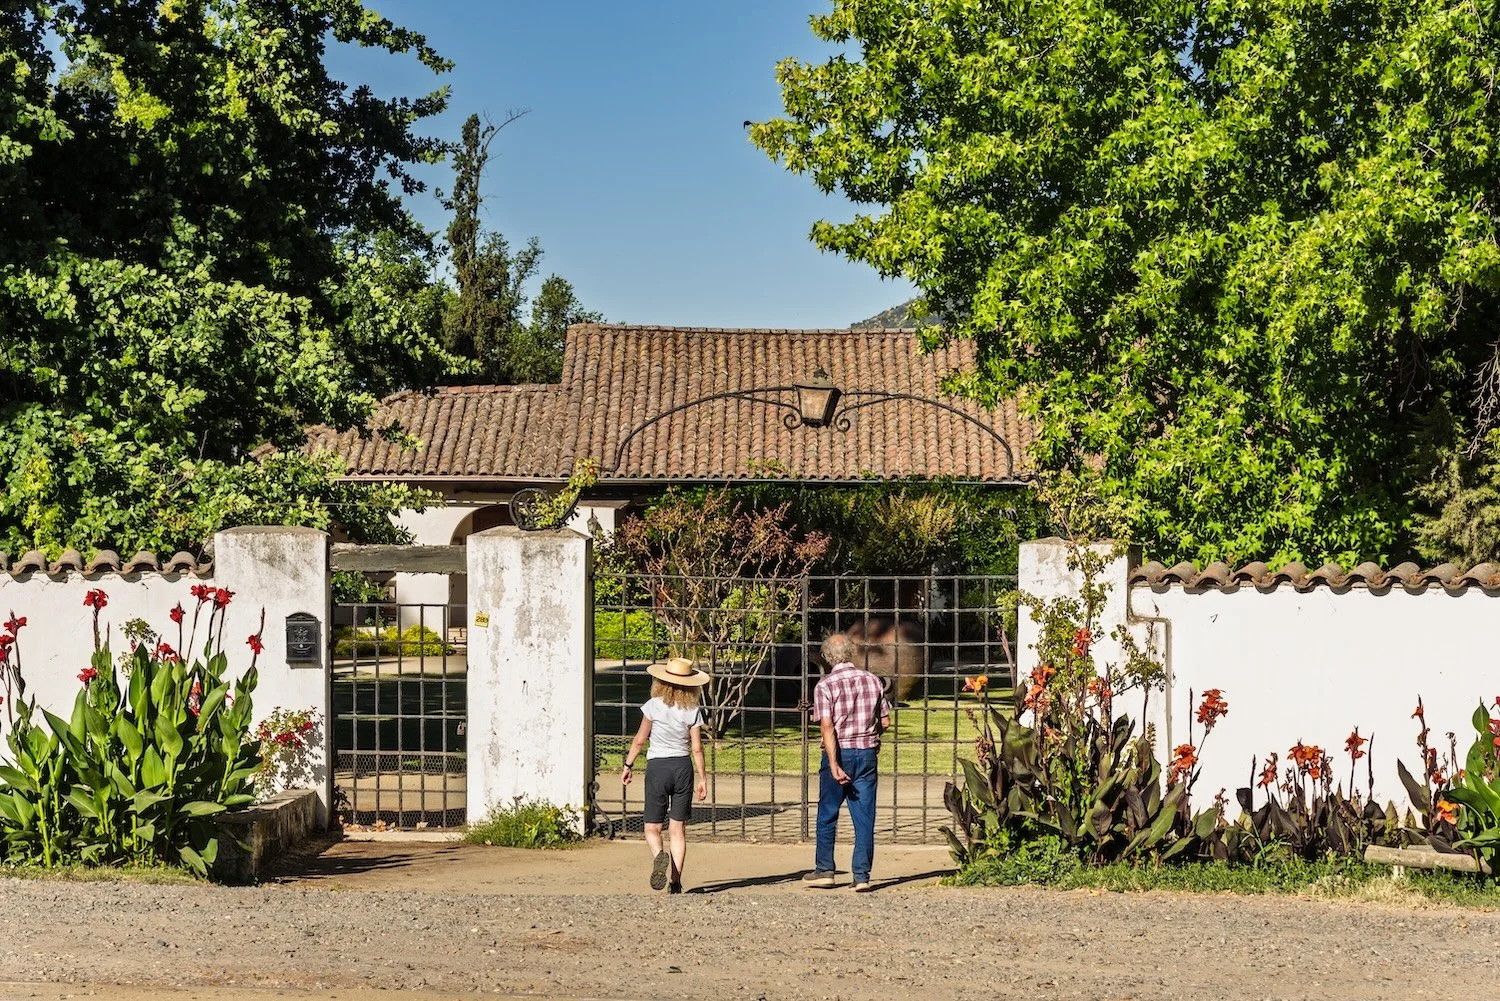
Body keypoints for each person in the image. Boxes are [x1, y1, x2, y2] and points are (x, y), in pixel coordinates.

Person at [803, 631, 891, 892]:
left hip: (840, 752)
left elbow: (827, 727)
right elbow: (885, 720)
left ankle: (825, 869)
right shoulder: (872, 680)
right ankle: (862, 875)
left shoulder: (825, 686)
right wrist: (872, 735)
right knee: (864, 818)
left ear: (827, 657)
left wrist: (833, 763)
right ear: (851, 652)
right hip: (866, 752)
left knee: (828, 813)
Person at [621, 656, 710, 893]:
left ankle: (659, 855)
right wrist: (703, 778)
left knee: (652, 826)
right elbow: (697, 748)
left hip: (658, 767)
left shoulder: (653, 705)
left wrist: (628, 765)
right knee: (677, 829)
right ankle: (676, 881)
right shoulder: (692, 709)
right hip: (682, 767)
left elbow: (640, 740)